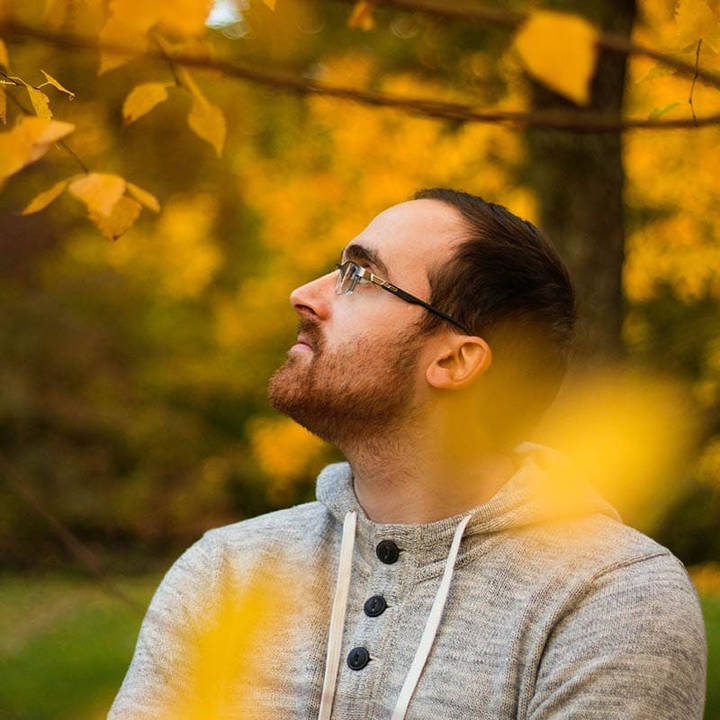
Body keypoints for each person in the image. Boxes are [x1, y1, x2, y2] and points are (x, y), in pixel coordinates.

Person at [108, 189, 707, 720]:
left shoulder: (611, 596)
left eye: (359, 276)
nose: (304, 295)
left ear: (455, 360)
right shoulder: (227, 574)